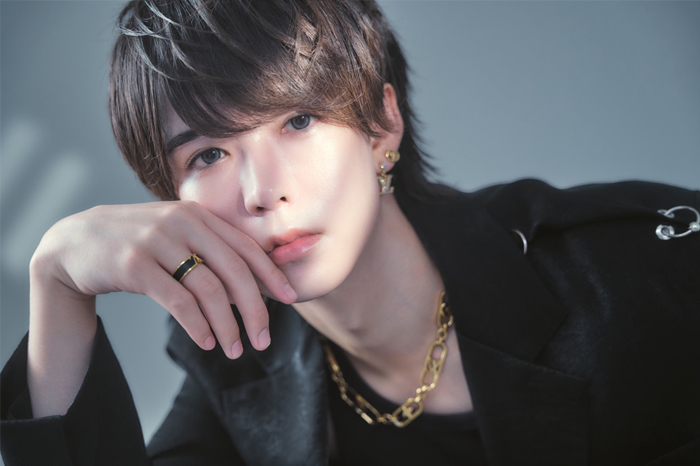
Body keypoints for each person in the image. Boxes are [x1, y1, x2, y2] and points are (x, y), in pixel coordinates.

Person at [1, 0, 699, 464]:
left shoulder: (644, 270)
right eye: (208, 155)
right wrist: (56, 282)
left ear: (382, 125)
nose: (261, 191)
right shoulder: (239, 362)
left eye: (298, 121)